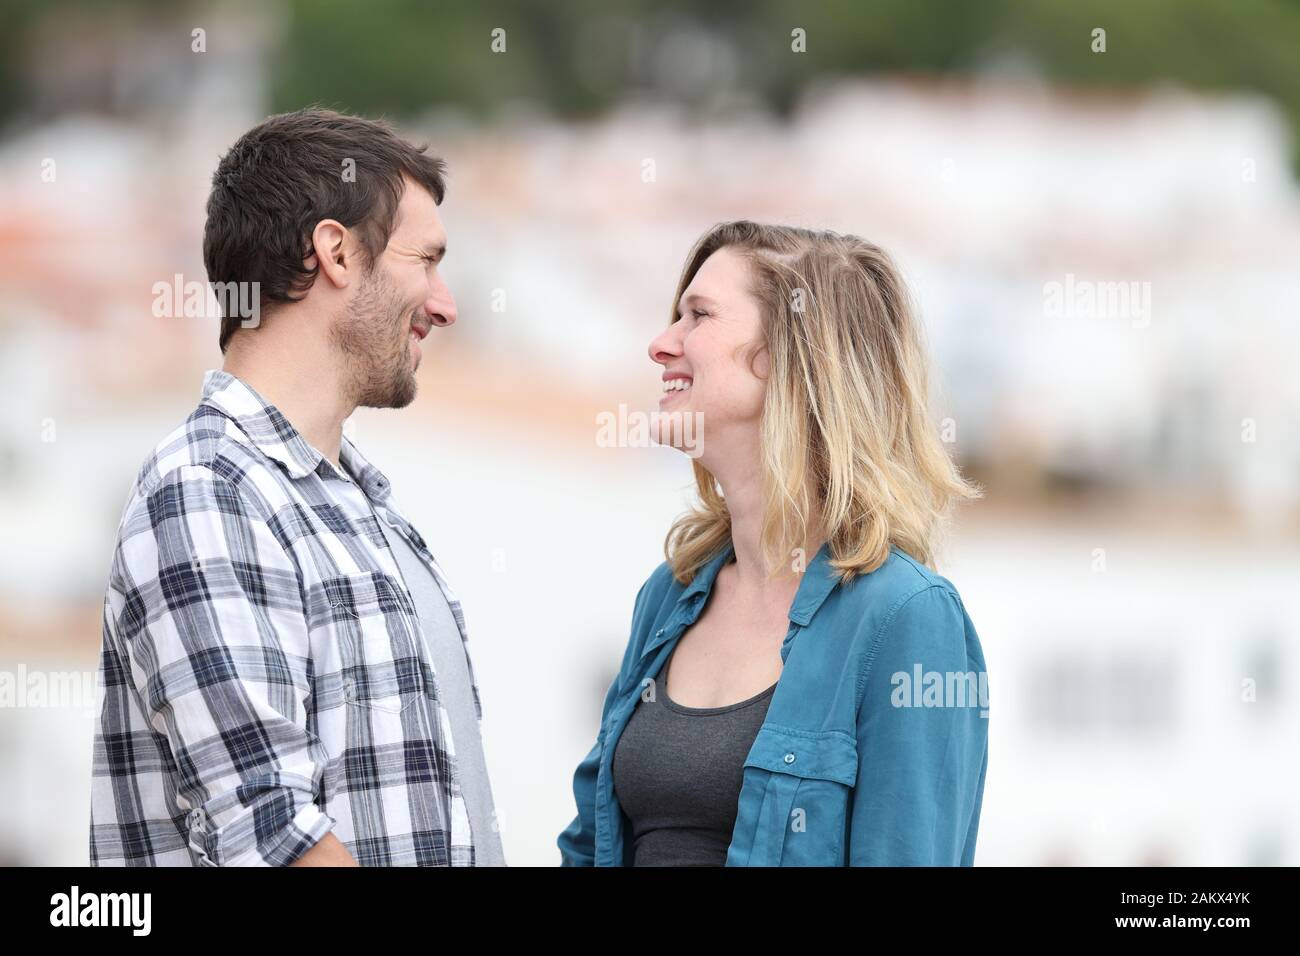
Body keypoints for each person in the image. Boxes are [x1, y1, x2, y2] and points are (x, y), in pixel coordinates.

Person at [89, 108, 504, 867]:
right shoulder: (208, 489)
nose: (446, 304)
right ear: (336, 252)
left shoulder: (364, 507)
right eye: (428, 262)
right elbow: (272, 836)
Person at [558, 220, 989, 866]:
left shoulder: (905, 616)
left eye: (697, 316)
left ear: (789, 356)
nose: (660, 344)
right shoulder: (669, 595)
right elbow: (591, 846)